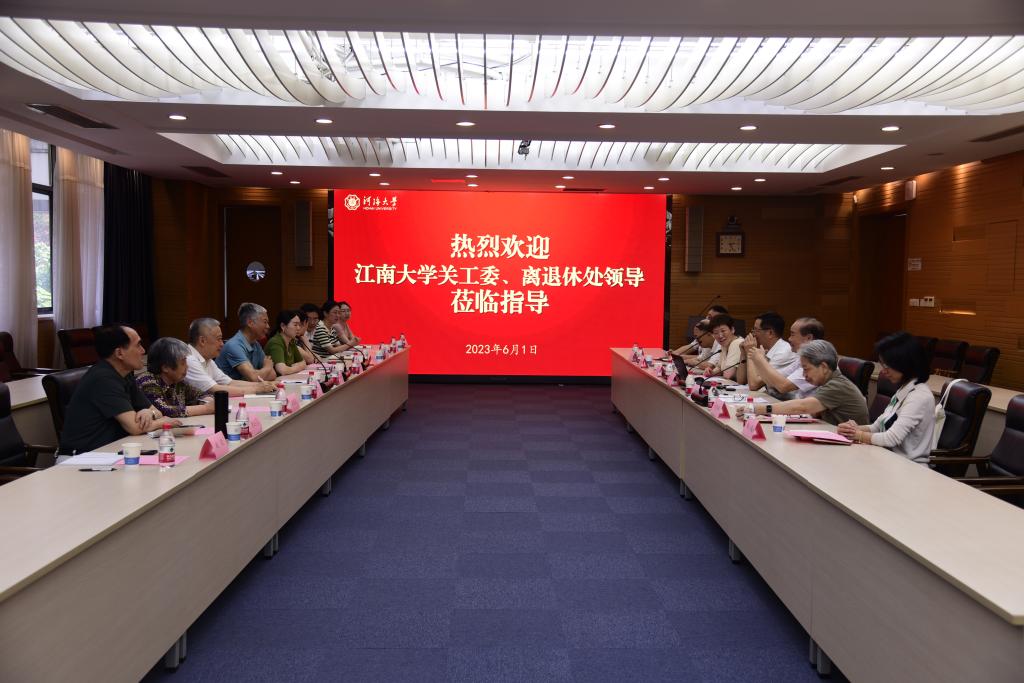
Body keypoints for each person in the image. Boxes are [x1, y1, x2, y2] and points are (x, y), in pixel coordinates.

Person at [59, 325, 175, 453]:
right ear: (119, 353)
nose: (143, 350)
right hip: (82, 457)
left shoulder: (125, 374)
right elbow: (135, 427)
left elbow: (156, 412)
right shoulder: (103, 379)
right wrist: (164, 422)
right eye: (138, 345)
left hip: (110, 450)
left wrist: (149, 413)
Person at [837, 332, 936, 463]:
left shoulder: (919, 396)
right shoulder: (904, 389)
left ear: (905, 364)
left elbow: (891, 438)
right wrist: (852, 430)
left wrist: (858, 435)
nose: (884, 371)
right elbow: (877, 427)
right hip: (888, 459)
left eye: (887, 366)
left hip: (909, 467)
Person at [738, 340, 869, 426]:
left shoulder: (837, 386)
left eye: (806, 369)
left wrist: (756, 409)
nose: (804, 375)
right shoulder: (828, 383)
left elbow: (802, 407)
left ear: (823, 367)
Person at [184, 317, 277, 396]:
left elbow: (229, 382)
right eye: (219, 339)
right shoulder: (189, 360)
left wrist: (261, 385)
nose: (222, 344)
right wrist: (256, 389)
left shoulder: (208, 360)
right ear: (202, 341)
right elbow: (215, 389)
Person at [745, 314, 822, 399]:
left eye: (792, 334)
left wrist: (758, 358)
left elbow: (782, 386)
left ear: (809, 338)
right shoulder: (801, 359)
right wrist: (759, 359)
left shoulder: (816, 361)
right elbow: (770, 381)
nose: (789, 339)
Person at [135, 337, 214, 418]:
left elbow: (201, 394)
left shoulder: (178, 382)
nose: (187, 367)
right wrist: (206, 408)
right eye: (183, 363)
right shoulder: (147, 382)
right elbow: (163, 411)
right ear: (165, 367)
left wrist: (209, 401)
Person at [216, 303, 276, 382]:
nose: (268, 326)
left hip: (246, 388)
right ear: (250, 323)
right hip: (229, 389)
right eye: (265, 322)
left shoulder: (256, 344)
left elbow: (272, 375)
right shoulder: (234, 345)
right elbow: (253, 377)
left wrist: (258, 374)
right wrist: (267, 367)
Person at [265, 309, 309, 377]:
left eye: (299, 325)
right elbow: (282, 370)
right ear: (283, 326)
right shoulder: (276, 342)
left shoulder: (291, 341)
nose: (298, 328)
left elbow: (303, 363)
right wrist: (297, 367)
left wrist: (291, 368)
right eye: (295, 325)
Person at [705, 314, 745, 382]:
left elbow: (728, 374)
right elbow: (719, 367)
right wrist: (712, 372)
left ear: (732, 330)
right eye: (716, 333)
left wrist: (718, 372)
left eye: (723, 331)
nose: (720, 336)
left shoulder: (737, 343)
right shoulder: (725, 344)